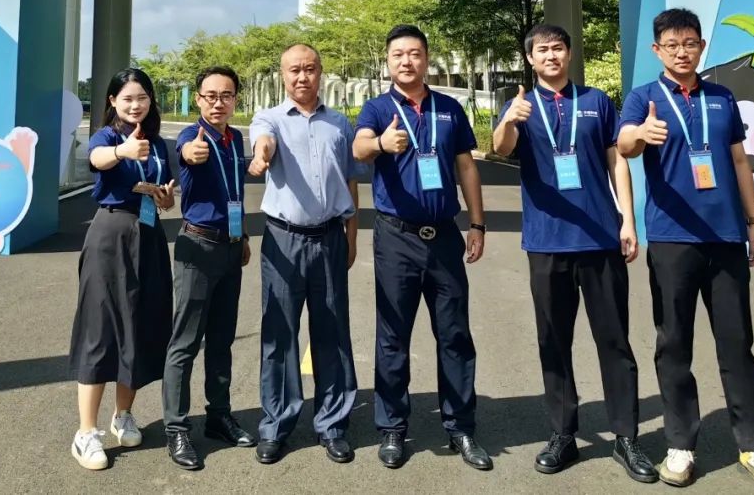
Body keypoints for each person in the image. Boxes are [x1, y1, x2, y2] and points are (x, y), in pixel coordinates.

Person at [617, 8, 754, 494]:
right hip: (672, 240)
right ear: (657, 50)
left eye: (690, 43)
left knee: (737, 344)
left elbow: (739, 160)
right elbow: (625, 144)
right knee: (674, 344)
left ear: (701, 47)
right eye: (672, 45)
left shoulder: (722, 97)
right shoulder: (644, 98)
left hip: (726, 238)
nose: (682, 52)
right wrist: (640, 135)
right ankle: (680, 444)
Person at [492, 24, 657, 483]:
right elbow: (501, 148)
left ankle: (626, 437)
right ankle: (562, 434)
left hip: (601, 239)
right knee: (554, 341)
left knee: (615, 341)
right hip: (547, 242)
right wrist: (510, 120)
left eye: (558, 48)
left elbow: (617, 160)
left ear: (568, 54)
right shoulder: (522, 105)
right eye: (542, 50)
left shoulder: (597, 101)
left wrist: (628, 220)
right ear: (530, 59)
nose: (551, 55)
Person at [352, 24, 492, 472]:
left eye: (414, 53)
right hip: (396, 237)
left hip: (444, 236)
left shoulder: (449, 109)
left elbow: (466, 167)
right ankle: (392, 427)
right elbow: (359, 148)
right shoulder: (377, 108)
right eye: (398, 54)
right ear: (388, 62)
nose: (406, 61)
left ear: (426, 59)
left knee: (454, 334)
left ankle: (461, 427)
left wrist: (477, 223)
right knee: (393, 335)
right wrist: (380, 142)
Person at [248, 44, 366, 465]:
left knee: (332, 331)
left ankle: (332, 424)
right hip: (283, 240)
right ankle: (276, 425)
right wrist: (262, 156)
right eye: (294, 70)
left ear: (321, 72)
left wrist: (352, 235)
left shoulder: (340, 124)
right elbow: (263, 143)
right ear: (283, 75)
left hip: (330, 237)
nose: (303, 77)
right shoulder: (269, 119)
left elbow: (351, 181)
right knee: (279, 334)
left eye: (310, 69)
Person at [68, 68, 176, 471]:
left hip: (148, 234)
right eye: (128, 98)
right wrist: (122, 153)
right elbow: (95, 159)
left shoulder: (157, 143)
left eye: (142, 98)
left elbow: (164, 192)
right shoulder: (108, 137)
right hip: (110, 234)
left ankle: (123, 415)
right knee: (100, 328)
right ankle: (85, 432)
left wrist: (165, 198)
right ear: (113, 101)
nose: (136, 105)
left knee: (139, 324)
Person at [162, 66, 257, 471]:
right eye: (211, 95)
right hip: (198, 247)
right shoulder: (193, 136)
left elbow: (234, 192)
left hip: (230, 248)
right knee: (185, 342)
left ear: (236, 99)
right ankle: (176, 428)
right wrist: (189, 153)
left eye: (227, 95)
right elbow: (188, 152)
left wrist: (243, 236)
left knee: (221, 339)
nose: (219, 102)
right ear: (198, 99)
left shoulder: (235, 139)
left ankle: (219, 416)